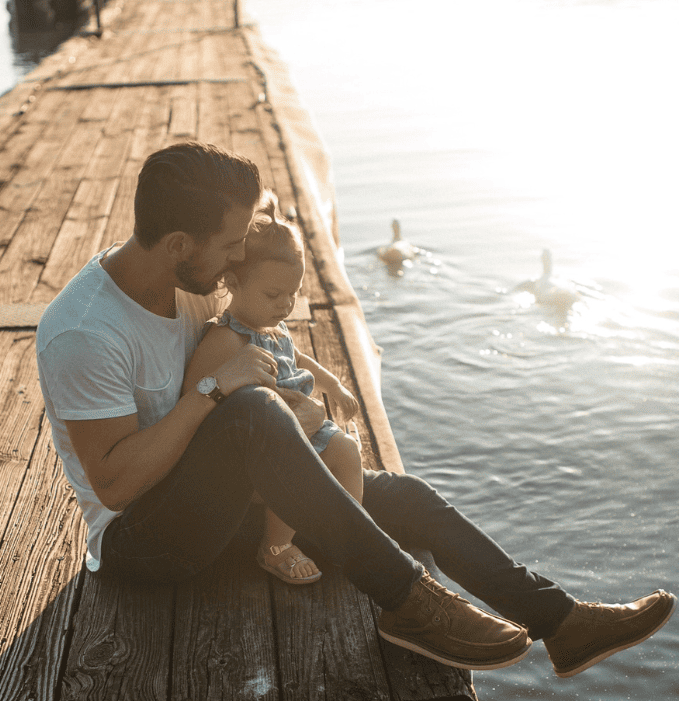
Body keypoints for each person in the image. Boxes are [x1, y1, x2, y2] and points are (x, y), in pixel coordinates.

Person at [36, 140, 675, 678]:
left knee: (407, 497)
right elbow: (115, 486)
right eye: (230, 244)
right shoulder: (86, 331)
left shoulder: (192, 283)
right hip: (145, 543)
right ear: (179, 243)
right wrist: (213, 393)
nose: (239, 256)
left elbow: (252, 344)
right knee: (254, 412)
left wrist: (298, 379)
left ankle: (561, 621)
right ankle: (410, 604)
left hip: (225, 503)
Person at [181, 191, 363, 585]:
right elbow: (195, 400)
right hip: (265, 448)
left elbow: (297, 358)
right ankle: (275, 546)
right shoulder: (226, 340)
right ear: (231, 281)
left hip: (302, 424)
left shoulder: (272, 326)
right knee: (295, 470)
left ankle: (347, 536)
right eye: (273, 295)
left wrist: (333, 385)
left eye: (293, 294)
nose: (285, 305)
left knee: (347, 452)